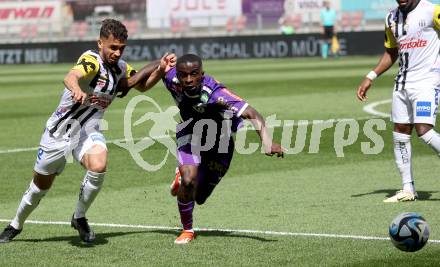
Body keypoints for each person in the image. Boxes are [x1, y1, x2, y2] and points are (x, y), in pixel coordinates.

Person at [0, 19, 176, 244]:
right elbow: (70, 77)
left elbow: (139, 84)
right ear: (100, 42)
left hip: (88, 130)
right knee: (39, 188)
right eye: (113, 47)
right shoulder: (91, 61)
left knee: (99, 164)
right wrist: (76, 90)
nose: (117, 52)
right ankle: (15, 224)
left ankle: (79, 217)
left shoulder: (120, 68)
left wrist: (161, 68)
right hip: (59, 132)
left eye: (121, 48)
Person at [156, 54, 285, 244]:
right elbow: (160, 70)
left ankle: (183, 177)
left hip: (221, 142)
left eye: (194, 74)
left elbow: (251, 113)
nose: (189, 79)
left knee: (199, 197)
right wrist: (152, 71)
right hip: (190, 131)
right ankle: (187, 230)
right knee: (189, 181)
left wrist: (268, 143)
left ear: (202, 74)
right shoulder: (172, 78)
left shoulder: (215, 92)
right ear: (178, 75)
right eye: (184, 75)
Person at [357, 0, 440, 202]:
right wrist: (371, 76)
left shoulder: (433, 11)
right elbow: (391, 52)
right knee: (400, 133)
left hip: (427, 83)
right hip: (402, 84)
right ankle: (407, 189)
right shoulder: (390, 17)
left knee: (424, 131)